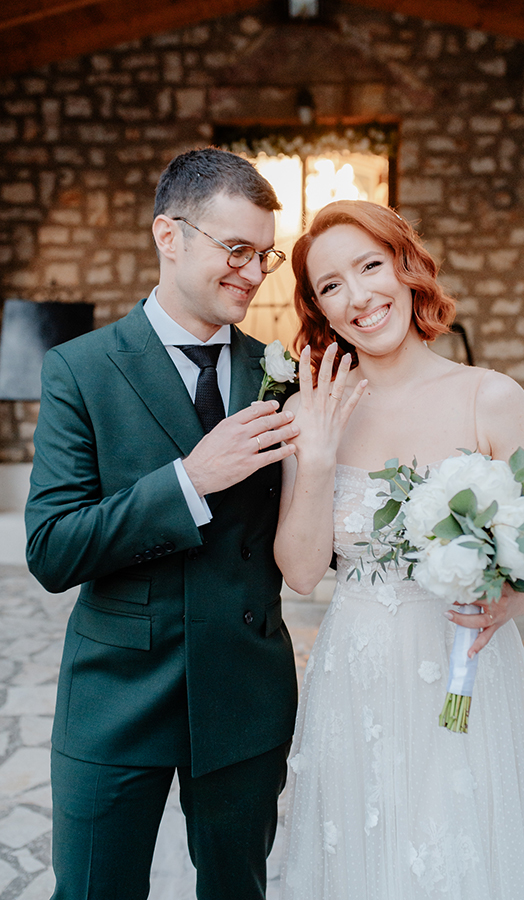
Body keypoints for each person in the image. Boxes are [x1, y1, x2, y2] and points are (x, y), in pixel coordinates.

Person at [25, 147, 299, 900]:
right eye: (235, 248)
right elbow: (51, 548)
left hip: (246, 697)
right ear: (168, 236)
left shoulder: (281, 375)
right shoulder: (79, 369)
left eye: (264, 256)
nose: (251, 271)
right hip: (117, 696)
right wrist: (189, 481)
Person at [274, 200, 524, 899]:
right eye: (330, 285)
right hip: (358, 671)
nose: (359, 297)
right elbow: (304, 573)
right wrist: (316, 457)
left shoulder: (489, 398)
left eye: (370, 266)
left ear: (407, 269)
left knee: (456, 854)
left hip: (468, 671)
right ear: (319, 309)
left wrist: (505, 603)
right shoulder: (305, 408)